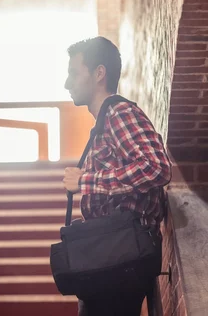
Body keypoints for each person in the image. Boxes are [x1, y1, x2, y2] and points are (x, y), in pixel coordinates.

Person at [62, 36, 171, 316]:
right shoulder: (105, 123)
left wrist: (86, 181)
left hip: (121, 254)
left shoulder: (120, 113)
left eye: (74, 73)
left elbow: (156, 166)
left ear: (99, 73)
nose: (67, 83)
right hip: (111, 254)